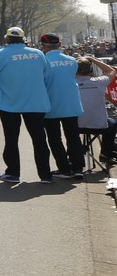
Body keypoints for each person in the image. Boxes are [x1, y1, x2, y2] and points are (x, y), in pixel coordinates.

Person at [0, 27, 52, 184]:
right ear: (23, 38)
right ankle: (45, 175)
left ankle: (13, 173)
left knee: (11, 139)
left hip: (9, 103)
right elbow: (47, 75)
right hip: (35, 102)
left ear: (7, 38)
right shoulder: (38, 53)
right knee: (39, 139)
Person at [39, 34, 84, 180]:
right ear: (59, 45)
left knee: (54, 139)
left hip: (51, 104)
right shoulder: (72, 60)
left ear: (43, 46)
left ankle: (64, 169)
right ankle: (78, 168)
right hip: (71, 104)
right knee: (73, 137)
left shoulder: (43, 62)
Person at [76, 56, 117, 162]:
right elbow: (111, 70)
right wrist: (93, 59)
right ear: (91, 70)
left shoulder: (70, 83)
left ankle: (74, 154)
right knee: (112, 123)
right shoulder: (100, 82)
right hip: (99, 126)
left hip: (76, 126)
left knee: (68, 124)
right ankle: (105, 154)